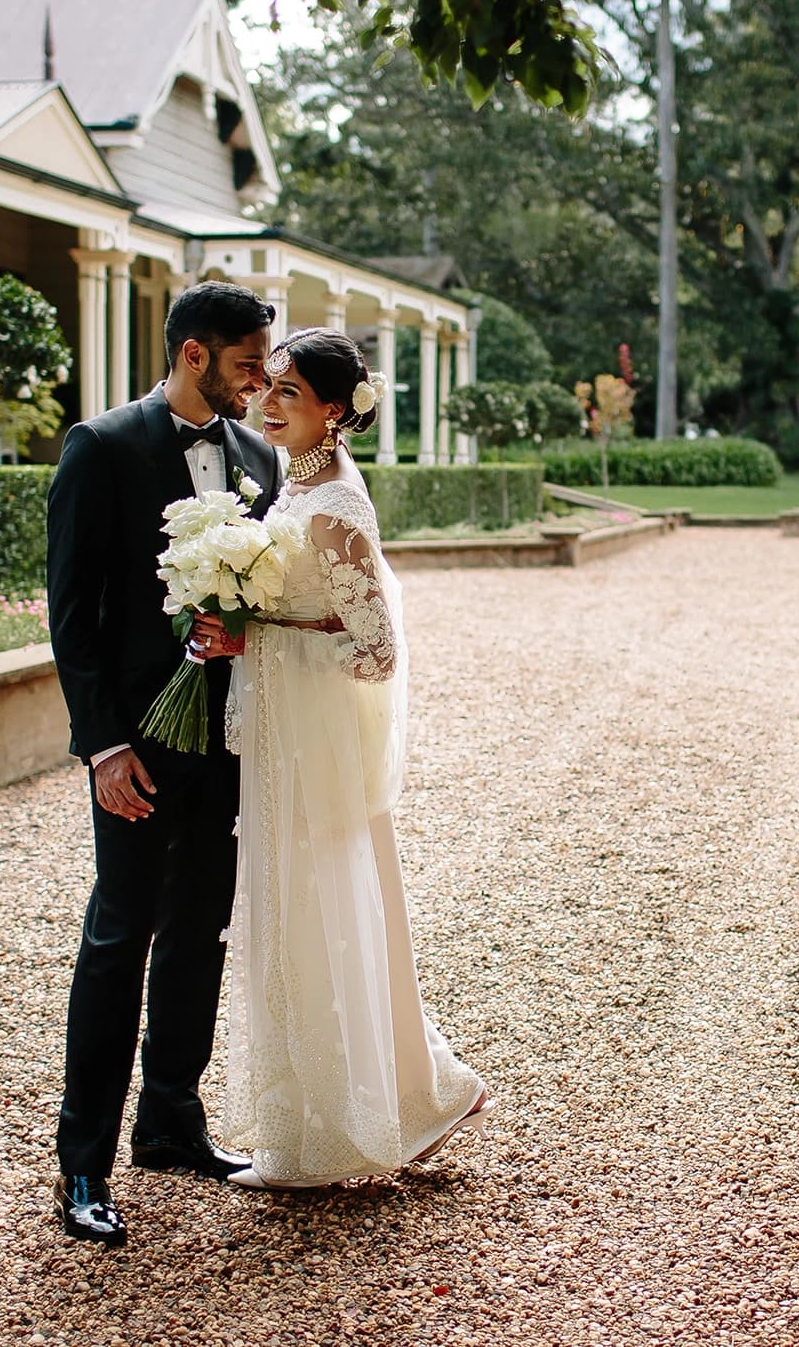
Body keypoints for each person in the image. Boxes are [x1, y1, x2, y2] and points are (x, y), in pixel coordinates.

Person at [216, 328, 493, 1190]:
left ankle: (337, 1129)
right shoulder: (293, 484)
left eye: (288, 392)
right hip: (280, 733)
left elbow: (376, 650)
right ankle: (409, 1090)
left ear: (333, 411)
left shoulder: (334, 506)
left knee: (318, 908)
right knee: (296, 905)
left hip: (313, 741)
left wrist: (263, 631)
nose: (267, 400)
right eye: (269, 386)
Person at [46, 280, 283, 1244]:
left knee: (202, 932)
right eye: (246, 364)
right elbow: (72, 614)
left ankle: (172, 1127)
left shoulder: (258, 455)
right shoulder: (101, 447)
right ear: (194, 354)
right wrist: (102, 744)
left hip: (227, 743)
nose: (261, 382)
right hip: (136, 748)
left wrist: (243, 636)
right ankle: (83, 1166)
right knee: (120, 938)